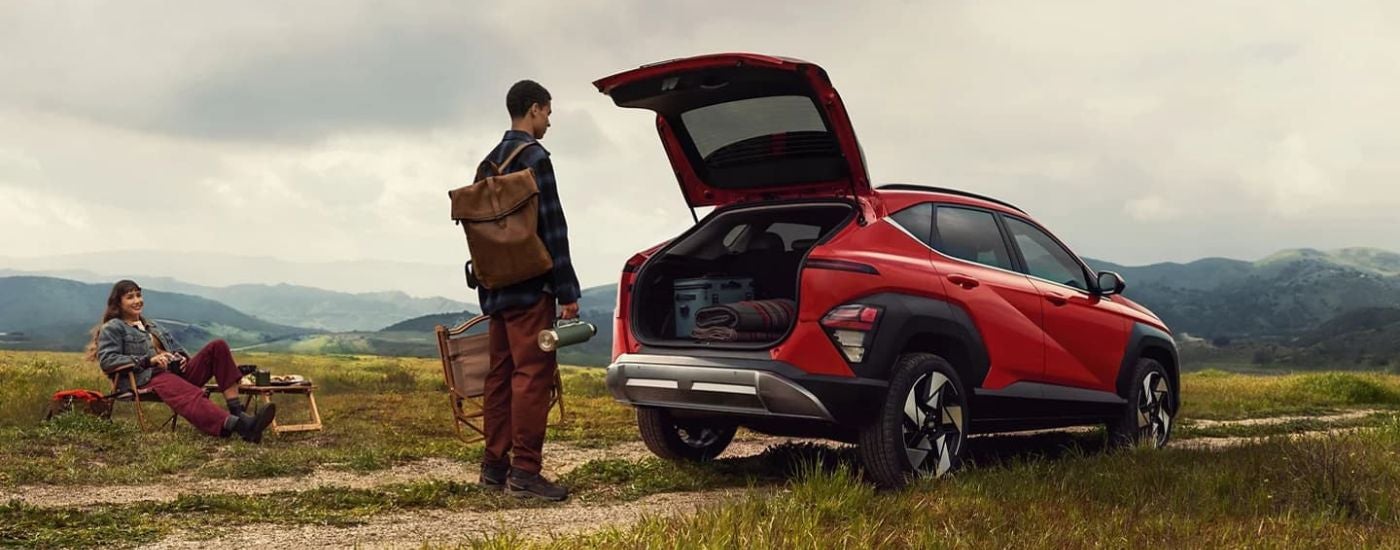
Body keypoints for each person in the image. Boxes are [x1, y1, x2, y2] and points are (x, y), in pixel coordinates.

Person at [472, 80, 581, 501]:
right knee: (532, 375)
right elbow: (553, 225)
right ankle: (526, 473)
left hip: (495, 288)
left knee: (499, 376)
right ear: (534, 109)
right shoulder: (536, 158)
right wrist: (566, 289)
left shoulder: (487, 164)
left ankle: (493, 468)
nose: (549, 121)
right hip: (531, 287)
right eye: (548, 113)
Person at [86, 280, 276, 442]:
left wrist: (183, 359)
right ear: (118, 303)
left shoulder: (152, 326)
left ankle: (237, 412)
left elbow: (178, 349)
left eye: (138, 295)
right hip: (146, 377)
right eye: (130, 297)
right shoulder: (114, 327)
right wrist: (148, 360)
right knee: (187, 391)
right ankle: (241, 426)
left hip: (174, 373)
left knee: (218, 346)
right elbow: (108, 360)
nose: (137, 301)